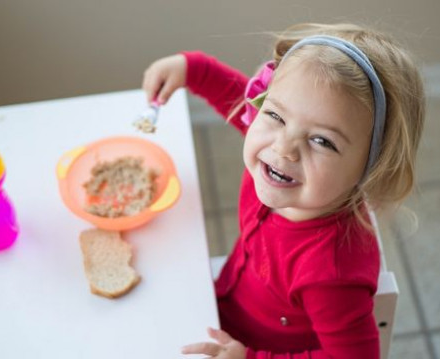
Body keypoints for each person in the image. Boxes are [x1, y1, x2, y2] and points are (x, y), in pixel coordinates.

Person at [142, 22, 425, 358]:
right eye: (275, 114)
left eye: (322, 141)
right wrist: (193, 69)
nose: (284, 147)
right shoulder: (279, 164)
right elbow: (235, 95)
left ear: (370, 168)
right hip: (220, 306)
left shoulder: (330, 273)